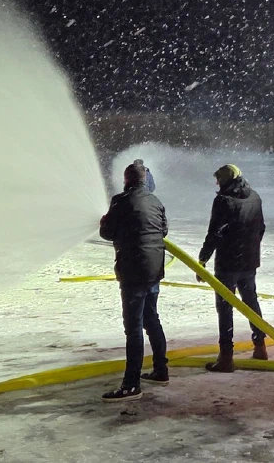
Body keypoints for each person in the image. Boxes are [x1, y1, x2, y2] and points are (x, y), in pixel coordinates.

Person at [97, 160, 169, 401]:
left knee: (134, 327)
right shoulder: (156, 201)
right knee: (152, 319)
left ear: (126, 180)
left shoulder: (120, 201)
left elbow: (107, 233)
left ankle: (131, 385)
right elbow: (164, 231)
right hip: (154, 270)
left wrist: (104, 222)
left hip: (133, 271)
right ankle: (161, 370)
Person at [196, 163, 267, 372]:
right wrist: (250, 248)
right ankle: (260, 346)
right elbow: (261, 228)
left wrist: (202, 260)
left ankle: (226, 357)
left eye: (218, 180)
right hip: (249, 261)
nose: (216, 184)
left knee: (225, 308)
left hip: (228, 263)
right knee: (250, 301)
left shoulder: (223, 201)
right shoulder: (255, 197)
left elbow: (215, 233)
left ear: (225, 180)